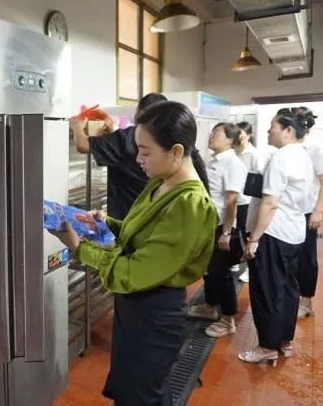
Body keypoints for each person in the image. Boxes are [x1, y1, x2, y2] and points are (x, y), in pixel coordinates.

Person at [51, 101, 218, 405]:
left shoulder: (190, 204)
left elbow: (133, 271)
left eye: (145, 152)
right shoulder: (161, 184)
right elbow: (140, 234)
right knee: (133, 388)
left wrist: (79, 248)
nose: (138, 159)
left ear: (176, 151)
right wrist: (106, 223)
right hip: (136, 307)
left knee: (142, 395)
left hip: (154, 312)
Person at [239, 110, 314, 365]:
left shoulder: (281, 158)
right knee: (289, 287)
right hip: (295, 232)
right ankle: (284, 340)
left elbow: (270, 203)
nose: (268, 131)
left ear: (288, 131)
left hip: (273, 232)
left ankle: (266, 347)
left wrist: (254, 239)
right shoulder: (303, 155)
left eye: (273, 126)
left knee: (267, 290)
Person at [188, 123, 247, 338]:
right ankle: (210, 305)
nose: (211, 136)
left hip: (221, 225)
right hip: (208, 224)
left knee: (222, 272)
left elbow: (231, 201)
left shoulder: (232, 164)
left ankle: (228, 319)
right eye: (212, 132)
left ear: (230, 140)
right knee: (209, 269)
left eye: (217, 133)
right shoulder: (215, 160)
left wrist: (226, 232)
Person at [70, 93, 167, 220]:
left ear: (139, 112)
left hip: (126, 214)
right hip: (151, 214)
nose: (140, 158)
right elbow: (124, 151)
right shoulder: (164, 138)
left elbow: (82, 145)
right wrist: (112, 132)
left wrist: (77, 126)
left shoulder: (129, 136)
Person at [289, 107, 323, 319]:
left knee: (307, 257)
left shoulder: (314, 149)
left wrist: (318, 211)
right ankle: (293, 296)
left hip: (307, 212)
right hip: (290, 213)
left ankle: (306, 302)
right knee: (292, 257)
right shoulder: (290, 149)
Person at [233, 121, 266, 283]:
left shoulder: (254, 154)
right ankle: (234, 260)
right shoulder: (233, 152)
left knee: (247, 234)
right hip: (233, 199)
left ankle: (248, 268)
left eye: (241, 134)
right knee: (234, 232)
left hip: (247, 200)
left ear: (248, 136)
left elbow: (259, 178)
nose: (238, 137)